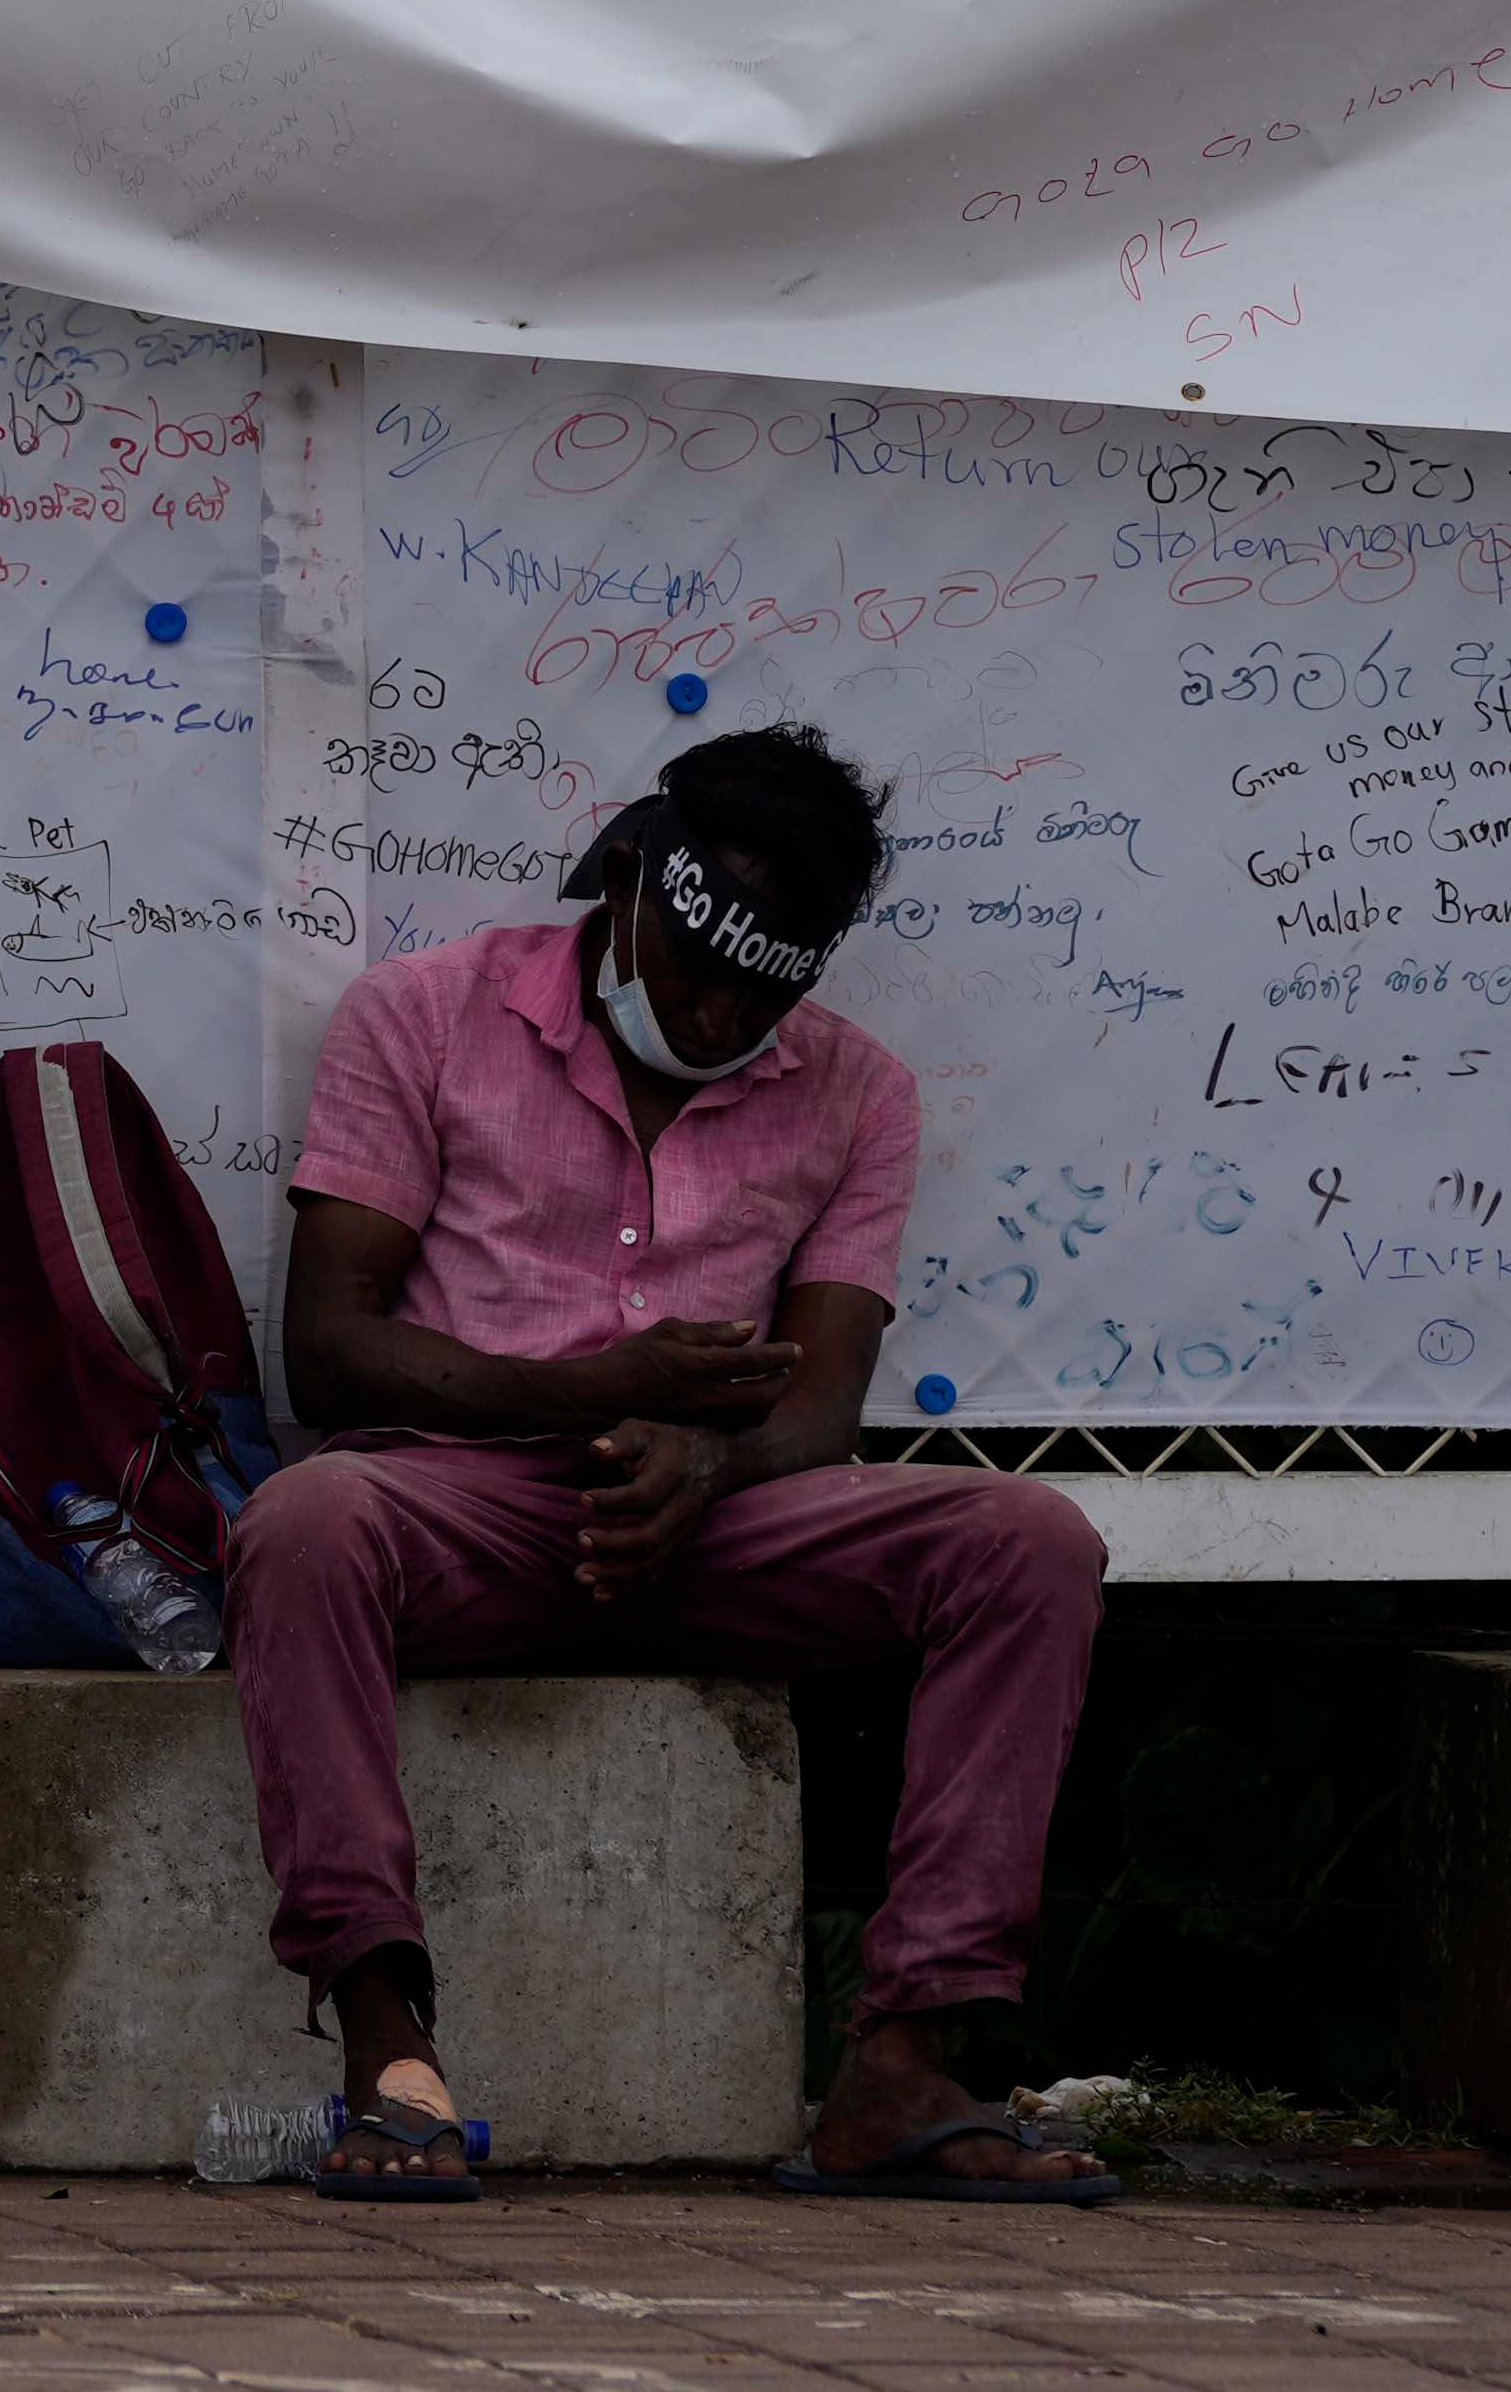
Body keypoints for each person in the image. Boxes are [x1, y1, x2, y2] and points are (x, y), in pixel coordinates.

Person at [220, 718, 1116, 2206]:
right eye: (691, 974)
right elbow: (328, 1347)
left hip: (719, 1520)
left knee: (1028, 1541)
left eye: (752, 995)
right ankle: (388, 2050)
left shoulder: (856, 1091)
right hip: (464, 1503)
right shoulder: (421, 1014)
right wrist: (591, 1391)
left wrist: (701, 1463)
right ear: (624, 879)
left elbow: (820, 1407)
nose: (708, 1019)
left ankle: (903, 2058)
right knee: (304, 1520)